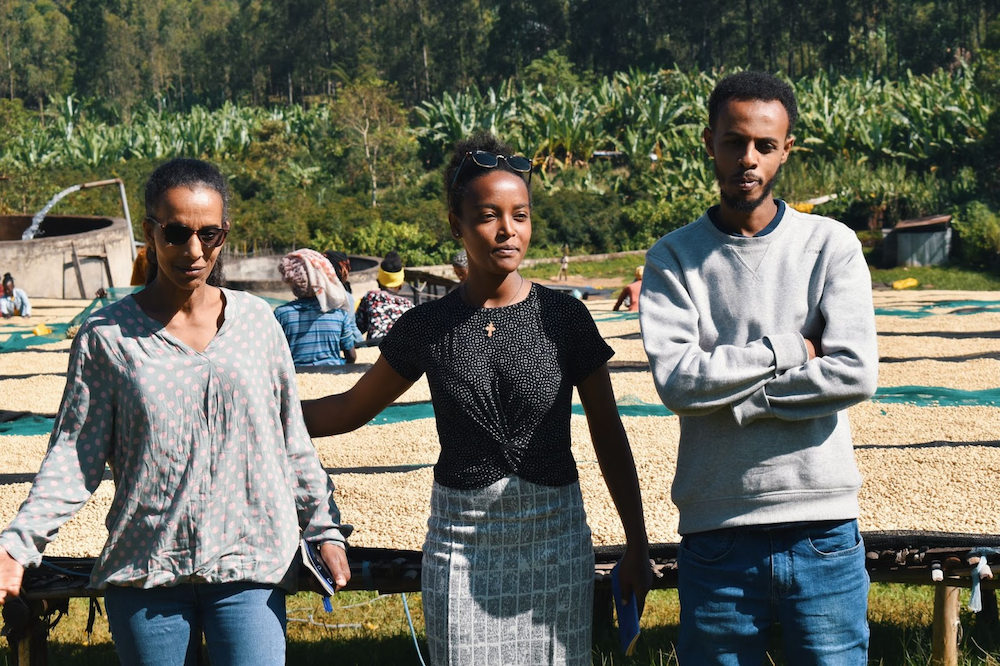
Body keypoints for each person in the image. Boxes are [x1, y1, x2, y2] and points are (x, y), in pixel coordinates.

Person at [302, 133, 652, 665]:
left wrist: (637, 540)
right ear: (456, 225)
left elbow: (608, 432)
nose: (508, 230)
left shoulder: (565, 319)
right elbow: (350, 410)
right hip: (460, 546)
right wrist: (263, 411)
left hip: (555, 540)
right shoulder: (428, 327)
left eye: (521, 215)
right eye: (489, 215)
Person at [0, 158, 351, 666]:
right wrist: (18, 544)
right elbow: (75, 457)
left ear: (224, 235)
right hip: (148, 569)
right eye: (176, 232)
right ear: (150, 232)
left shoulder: (256, 324)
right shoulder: (109, 337)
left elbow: (290, 439)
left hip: (248, 564)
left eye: (209, 235)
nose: (193, 250)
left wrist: (322, 528)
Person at [639, 71, 879, 665]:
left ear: (787, 148)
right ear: (709, 141)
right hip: (717, 532)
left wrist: (743, 398)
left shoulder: (831, 245)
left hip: (822, 528)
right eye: (733, 141)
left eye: (765, 145)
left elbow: (855, 372)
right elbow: (679, 383)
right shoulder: (672, 258)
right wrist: (792, 350)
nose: (748, 158)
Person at [274, 248, 357, 366]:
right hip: (332, 373)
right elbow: (352, 356)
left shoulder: (281, 314)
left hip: (297, 374)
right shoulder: (339, 314)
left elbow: (275, 355)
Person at [354, 251, 414, 343]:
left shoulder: (371, 297)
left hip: (374, 347)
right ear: (401, 284)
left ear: (378, 281)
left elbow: (357, 328)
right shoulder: (409, 306)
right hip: (401, 349)